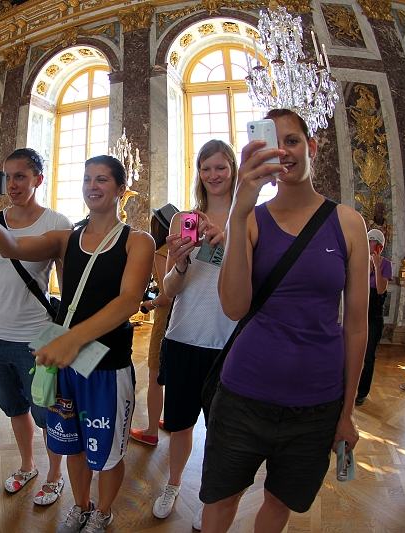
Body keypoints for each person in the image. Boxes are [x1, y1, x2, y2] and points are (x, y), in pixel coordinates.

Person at [0, 154, 155, 533]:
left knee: (108, 450)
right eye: (87, 179)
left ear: (121, 189)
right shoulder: (66, 239)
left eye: (102, 179)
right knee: (72, 443)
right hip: (69, 362)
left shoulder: (138, 241)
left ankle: (103, 512)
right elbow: (11, 247)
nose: (92, 186)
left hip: (107, 364)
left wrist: (71, 339)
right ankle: (82, 506)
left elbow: (127, 301)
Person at [201, 108, 369, 533]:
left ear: (311, 147)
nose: (283, 153)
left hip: (316, 405)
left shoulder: (348, 224)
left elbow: (356, 326)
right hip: (243, 396)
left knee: (279, 503)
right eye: (271, 145)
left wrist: (347, 412)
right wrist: (239, 211)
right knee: (221, 500)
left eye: (291, 141)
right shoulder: (251, 220)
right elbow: (234, 306)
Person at [0, 148, 72, 505]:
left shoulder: (56, 223)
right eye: (7, 177)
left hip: (37, 339)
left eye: (21, 176)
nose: (12, 184)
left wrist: (68, 339)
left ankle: (55, 474)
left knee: (47, 414)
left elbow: (67, 289)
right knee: (15, 409)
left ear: (38, 179)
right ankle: (28, 465)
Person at [147, 141, 239, 529]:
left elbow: (255, 280)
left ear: (232, 169)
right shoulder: (183, 220)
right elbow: (169, 290)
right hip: (184, 336)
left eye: (220, 167)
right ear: (198, 173)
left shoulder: (248, 220)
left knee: (221, 429)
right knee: (180, 423)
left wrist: (228, 241)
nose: (213, 175)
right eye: (206, 168)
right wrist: (181, 262)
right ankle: (172, 484)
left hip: (228, 341)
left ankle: (211, 496)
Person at [130, 210, 175, 446]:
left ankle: (151, 431)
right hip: (183, 320)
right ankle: (173, 421)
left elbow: (166, 295)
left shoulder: (161, 252)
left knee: (155, 375)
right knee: (175, 374)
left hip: (166, 320)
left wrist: (148, 304)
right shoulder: (185, 248)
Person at [355, 228, 393, 405]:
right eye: (367, 240)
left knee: (368, 356)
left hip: (374, 316)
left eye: (371, 241)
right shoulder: (360, 261)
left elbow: (380, 289)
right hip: (358, 313)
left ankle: (362, 392)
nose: (367, 243)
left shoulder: (386, 264)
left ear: (379, 246)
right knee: (352, 352)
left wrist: (377, 266)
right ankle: (348, 387)